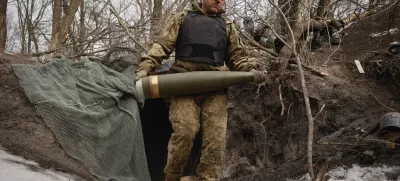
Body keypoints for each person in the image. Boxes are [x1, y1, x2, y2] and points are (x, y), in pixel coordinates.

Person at [135, 0, 267, 180]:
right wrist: (145, 66)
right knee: (185, 133)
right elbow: (162, 46)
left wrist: (252, 71)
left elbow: (238, 58)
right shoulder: (182, 19)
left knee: (216, 142)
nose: (219, 1)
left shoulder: (227, 26)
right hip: (183, 87)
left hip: (215, 91)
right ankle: (172, 177)